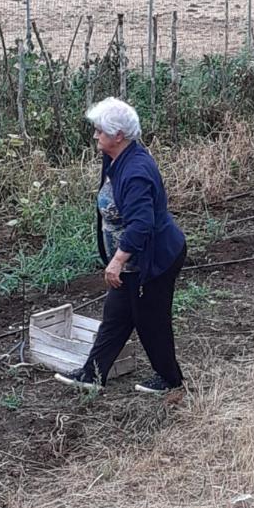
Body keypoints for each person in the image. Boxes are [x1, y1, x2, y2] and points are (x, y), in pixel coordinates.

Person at [56, 97, 186, 395]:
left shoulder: (136, 171)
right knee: (116, 316)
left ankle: (170, 380)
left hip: (153, 260)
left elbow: (142, 224)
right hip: (132, 260)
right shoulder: (116, 157)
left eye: (99, 131)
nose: (94, 135)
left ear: (118, 136)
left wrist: (117, 261)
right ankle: (93, 375)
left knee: (151, 321)